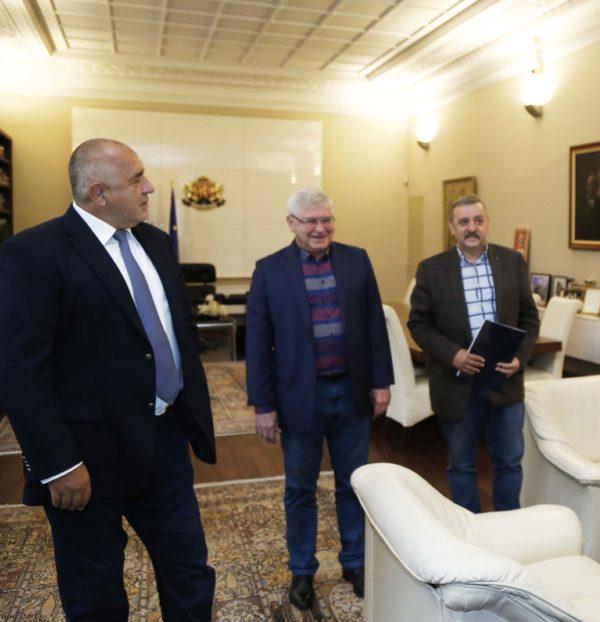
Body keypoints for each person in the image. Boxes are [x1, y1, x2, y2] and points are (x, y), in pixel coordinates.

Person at [0, 138, 217, 620]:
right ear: (98, 193)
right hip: (86, 459)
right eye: (137, 179)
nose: (150, 187)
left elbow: (174, 333)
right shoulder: (33, 253)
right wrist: (58, 465)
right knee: (96, 595)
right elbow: (20, 370)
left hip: (164, 444)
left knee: (190, 575)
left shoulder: (156, 242)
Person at [245, 188, 393, 606]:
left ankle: (355, 563)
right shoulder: (269, 270)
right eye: (310, 220)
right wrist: (263, 405)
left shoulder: (356, 260)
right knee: (299, 488)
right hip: (299, 398)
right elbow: (258, 343)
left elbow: (374, 326)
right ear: (291, 223)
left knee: (354, 483)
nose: (319, 228)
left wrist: (381, 381)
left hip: (351, 392)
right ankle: (302, 570)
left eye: (326, 219)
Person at [408, 194, 539, 512]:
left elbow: (529, 319)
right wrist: (452, 354)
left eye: (478, 221)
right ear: (452, 228)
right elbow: (419, 325)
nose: (471, 228)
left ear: (488, 225)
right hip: (456, 383)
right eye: (464, 222)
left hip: (504, 381)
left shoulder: (512, 262)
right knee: (461, 464)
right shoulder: (431, 269)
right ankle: (470, 530)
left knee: (510, 461)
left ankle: (509, 525)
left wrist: (520, 358)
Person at [574, 171, 600, 242]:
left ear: (597, 187)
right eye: (589, 184)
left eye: (593, 184)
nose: (590, 187)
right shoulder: (580, 204)